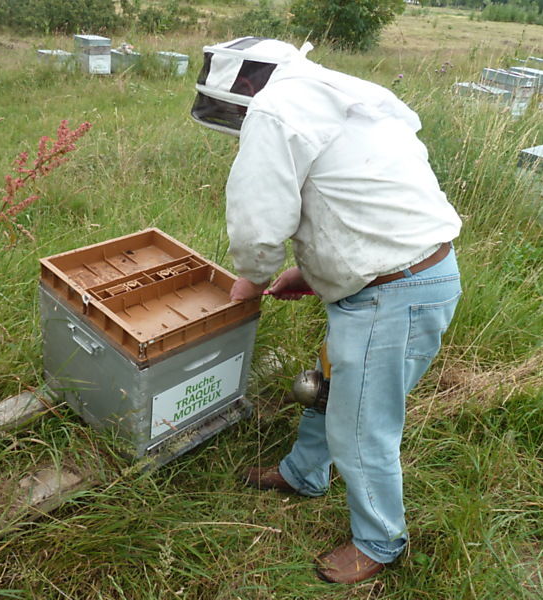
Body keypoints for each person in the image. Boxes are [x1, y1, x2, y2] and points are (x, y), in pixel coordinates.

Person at [191, 37, 462, 584]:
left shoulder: (275, 107)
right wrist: (312, 275)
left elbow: (259, 220)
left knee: (362, 425)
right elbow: (359, 199)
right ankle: (303, 475)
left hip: (392, 291)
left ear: (245, 83)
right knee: (329, 387)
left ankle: (380, 542)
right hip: (401, 276)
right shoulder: (334, 92)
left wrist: (253, 278)